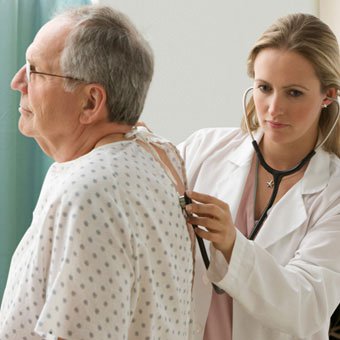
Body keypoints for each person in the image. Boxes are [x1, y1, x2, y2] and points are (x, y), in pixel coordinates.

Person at [0, 5, 195, 340]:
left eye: (35, 71)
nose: (18, 81)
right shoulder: (158, 154)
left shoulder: (91, 191)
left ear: (90, 102)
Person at [178, 13, 340, 340]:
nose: (273, 108)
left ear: (328, 96)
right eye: (264, 88)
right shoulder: (204, 149)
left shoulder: (333, 191)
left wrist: (232, 244)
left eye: (293, 93)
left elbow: (307, 307)